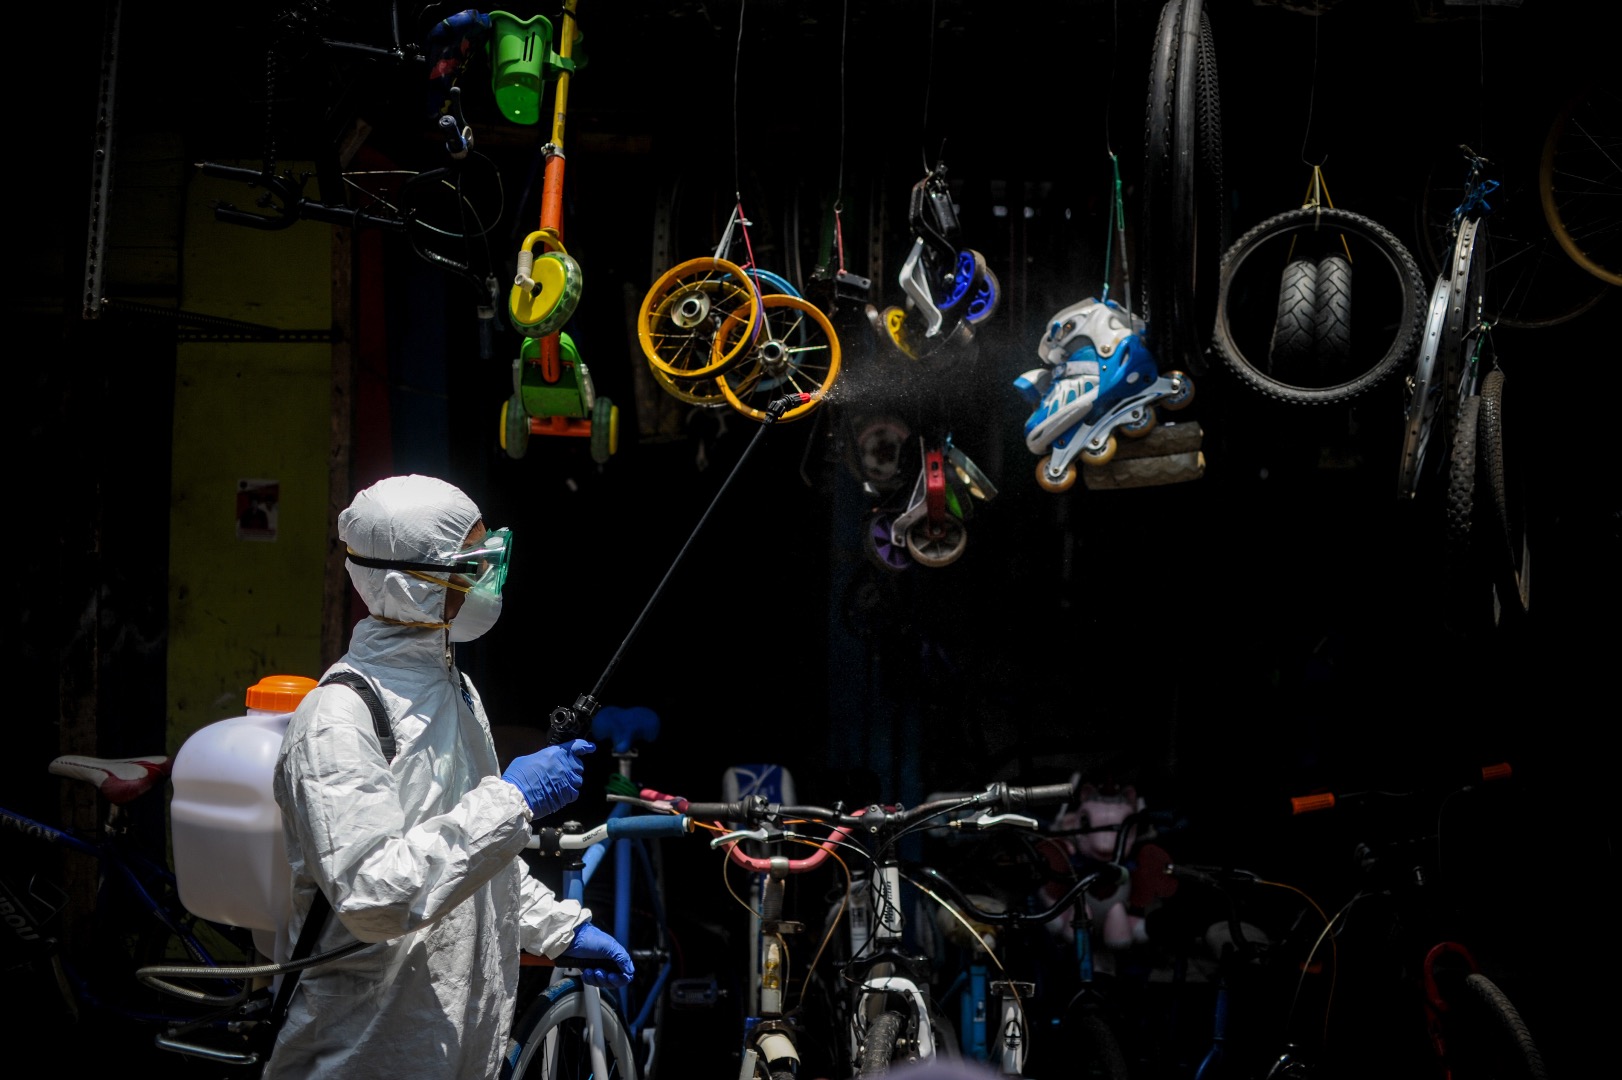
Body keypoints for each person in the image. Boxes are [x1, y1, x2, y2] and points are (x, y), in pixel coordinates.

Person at [266, 474, 633, 1079]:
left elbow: (471, 858)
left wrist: (554, 928)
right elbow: (372, 896)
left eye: (491, 559)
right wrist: (511, 799)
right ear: (409, 583)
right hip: (367, 1050)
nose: (488, 580)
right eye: (471, 564)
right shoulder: (337, 718)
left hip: (455, 1046)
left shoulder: (457, 690)